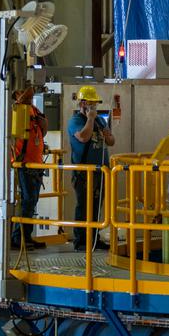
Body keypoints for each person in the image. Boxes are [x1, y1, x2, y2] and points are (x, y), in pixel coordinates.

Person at [0, 85, 47, 249]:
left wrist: (43, 122)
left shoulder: (34, 111)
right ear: (17, 94)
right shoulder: (16, 111)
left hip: (36, 163)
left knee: (32, 201)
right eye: (25, 92)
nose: (30, 94)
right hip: (24, 163)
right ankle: (18, 238)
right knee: (27, 201)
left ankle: (26, 236)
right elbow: (2, 131)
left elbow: (43, 131)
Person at [68, 85, 114, 252]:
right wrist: (90, 119)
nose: (93, 106)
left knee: (96, 205)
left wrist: (107, 133)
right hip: (83, 172)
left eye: (95, 103)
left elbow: (111, 141)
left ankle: (94, 238)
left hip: (100, 171)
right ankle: (80, 241)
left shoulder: (100, 121)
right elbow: (83, 137)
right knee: (83, 206)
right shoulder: (76, 121)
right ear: (83, 104)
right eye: (90, 103)